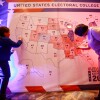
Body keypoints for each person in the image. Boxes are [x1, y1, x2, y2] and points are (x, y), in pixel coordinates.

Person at [75, 24, 100, 100]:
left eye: (79, 34)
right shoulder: (88, 34)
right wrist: (79, 47)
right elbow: (90, 45)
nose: (79, 36)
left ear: (81, 32)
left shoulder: (93, 31)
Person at [0, 26, 23, 100]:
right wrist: (20, 40)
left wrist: (10, 53)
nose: (9, 34)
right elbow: (16, 45)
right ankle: (2, 95)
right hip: (2, 61)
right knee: (6, 76)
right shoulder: (5, 39)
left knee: (3, 76)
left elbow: (2, 49)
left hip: (2, 59)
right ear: (4, 33)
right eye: (8, 32)